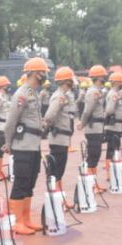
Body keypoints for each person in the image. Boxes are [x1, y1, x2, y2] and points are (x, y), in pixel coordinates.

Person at [2, 58, 48, 236]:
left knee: (30, 182)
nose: (45, 76)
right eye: (43, 73)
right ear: (36, 73)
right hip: (23, 145)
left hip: (33, 145)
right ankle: (18, 222)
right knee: (21, 182)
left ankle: (26, 219)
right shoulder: (21, 94)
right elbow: (11, 122)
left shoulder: (33, 92)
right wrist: (8, 142)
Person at [42, 67, 77, 203]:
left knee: (59, 170)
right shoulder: (59, 96)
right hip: (58, 138)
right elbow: (50, 115)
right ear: (65, 81)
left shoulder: (64, 96)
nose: (72, 83)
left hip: (62, 138)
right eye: (70, 80)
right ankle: (55, 199)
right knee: (56, 169)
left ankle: (59, 198)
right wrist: (47, 126)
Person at [77, 65, 108, 191]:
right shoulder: (93, 92)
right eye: (103, 76)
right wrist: (82, 123)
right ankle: (91, 185)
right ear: (98, 78)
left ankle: (94, 183)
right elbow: (87, 111)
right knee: (93, 155)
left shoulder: (97, 91)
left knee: (95, 156)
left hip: (98, 127)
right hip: (93, 128)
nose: (105, 78)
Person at [104, 71, 122, 164]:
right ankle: (110, 170)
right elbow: (109, 110)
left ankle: (112, 169)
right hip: (113, 125)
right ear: (116, 82)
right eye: (120, 82)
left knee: (114, 147)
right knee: (112, 148)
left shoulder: (116, 93)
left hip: (116, 125)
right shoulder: (113, 94)